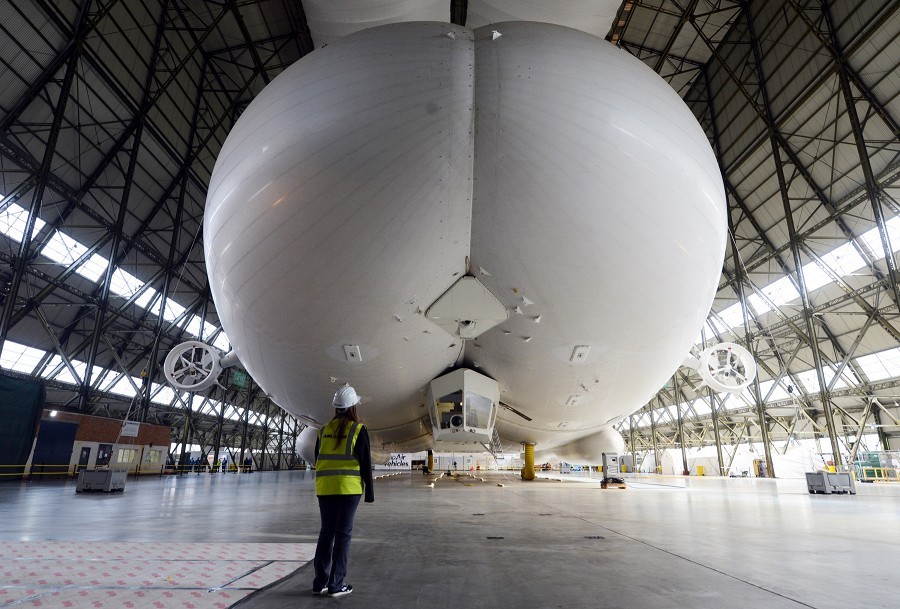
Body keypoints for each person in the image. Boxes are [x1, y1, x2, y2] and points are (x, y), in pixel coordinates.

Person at [312, 385, 374, 598]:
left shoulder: (323, 430)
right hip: (348, 489)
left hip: (325, 489)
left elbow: (316, 457)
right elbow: (366, 463)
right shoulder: (358, 429)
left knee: (326, 533)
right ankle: (336, 585)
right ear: (353, 407)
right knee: (343, 535)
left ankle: (319, 582)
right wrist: (370, 492)